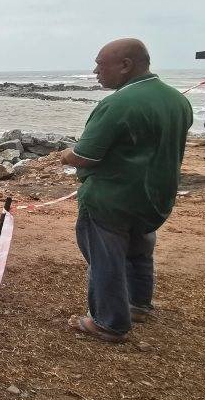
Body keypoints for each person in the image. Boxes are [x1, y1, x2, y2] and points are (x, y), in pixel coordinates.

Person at [60, 38, 193, 342]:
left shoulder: (117, 103)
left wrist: (65, 155)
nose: (95, 71)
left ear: (125, 65)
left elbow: (86, 155)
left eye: (100, 63)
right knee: (139, 251)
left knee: (105, 258)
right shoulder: (177, 100)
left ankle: (109, 322)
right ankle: (138, 304)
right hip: (155, 194)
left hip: (112, 197)